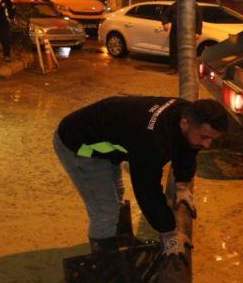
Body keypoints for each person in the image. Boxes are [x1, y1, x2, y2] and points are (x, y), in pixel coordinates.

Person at [54, 97, 228, 260]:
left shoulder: (185, 111)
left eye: (211, 139)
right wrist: (169, 232)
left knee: (117, 193)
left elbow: (186, 149)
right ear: (185, 123)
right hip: (79, 145)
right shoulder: (152, 140)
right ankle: (105, 262)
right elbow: (147, 190)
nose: (207, 145)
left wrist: (182, 185)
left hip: (107, 136)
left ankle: (122, 239)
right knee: (105, 211)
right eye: (204, 137)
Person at [160, 0, 203, 75]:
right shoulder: (175, 5)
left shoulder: (194, 6)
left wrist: (198, 32)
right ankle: (173, 68)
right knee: (174, 51)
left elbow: (199, 20)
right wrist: (165, 23)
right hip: (175, 32)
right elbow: (165, 15)